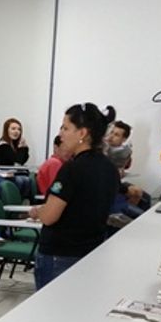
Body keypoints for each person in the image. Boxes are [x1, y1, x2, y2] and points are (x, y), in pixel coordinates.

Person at [29, 103, 119, 289]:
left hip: (60, 255)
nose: (61, 133)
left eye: (65, 127)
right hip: (92, 252)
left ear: (82, 133)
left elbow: (50, 216)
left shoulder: (72, 169)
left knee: (51, 312)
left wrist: (38, 211)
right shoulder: (110, 169)